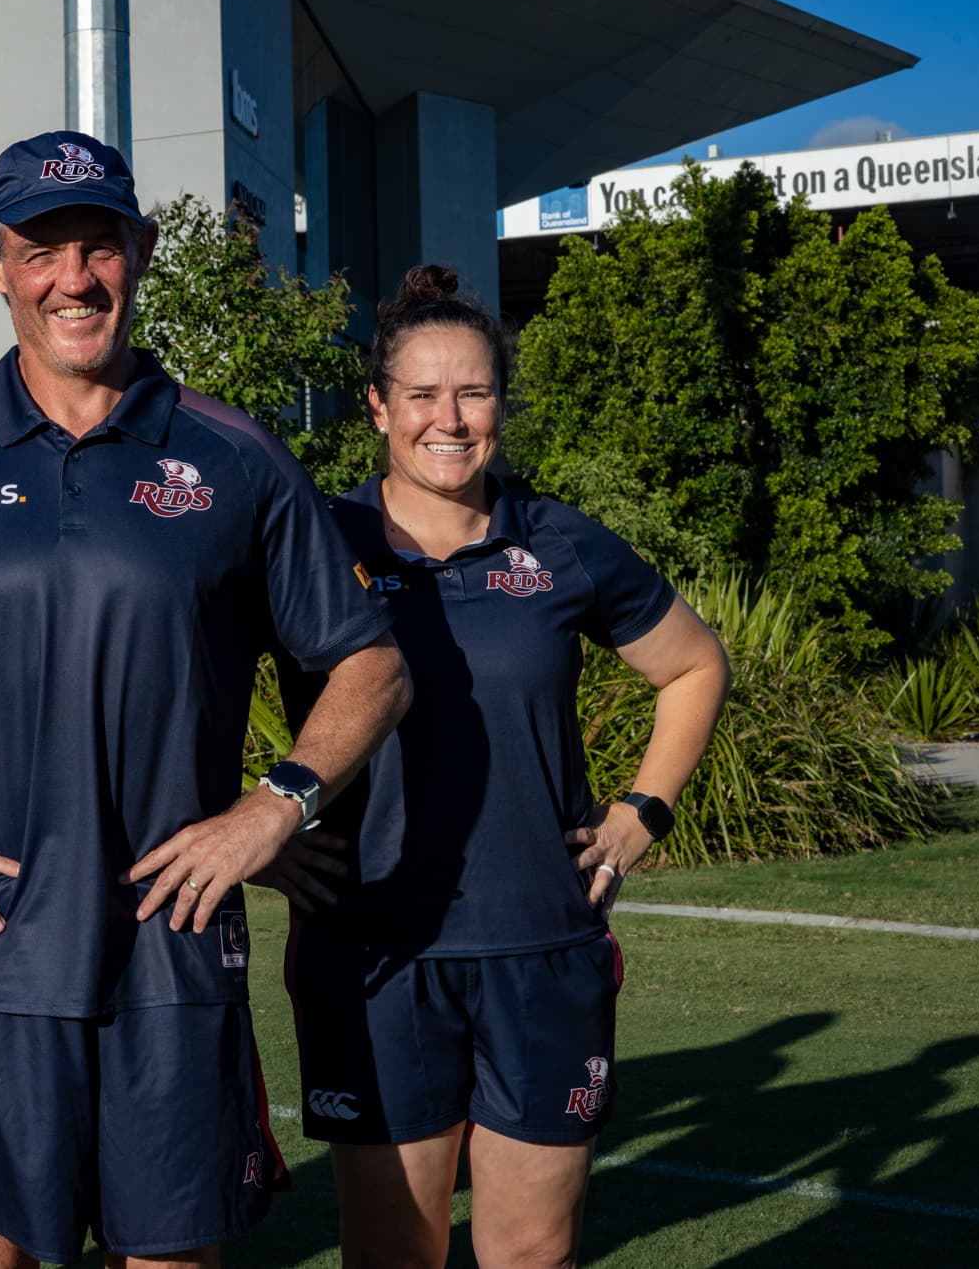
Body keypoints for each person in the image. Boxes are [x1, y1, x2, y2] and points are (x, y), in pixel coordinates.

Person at [0, 130, 412, 1269]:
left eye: (96, 246)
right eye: (37, 250)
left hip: (171, 956)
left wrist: (272, 808)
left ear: (137, 252)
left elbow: (370, 664)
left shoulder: (231, 457)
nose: (71, 278)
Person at [273, 265, 732, 1269]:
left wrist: (638, 813)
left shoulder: (556, 542)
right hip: (372, 954)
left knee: (531, 1253)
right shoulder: (312, 542)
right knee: (396, 1252)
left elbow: (695, 665)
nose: (449, 418)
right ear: (377, 406)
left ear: (497, 406)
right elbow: (182, 682)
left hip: (540, 946)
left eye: (473, 392)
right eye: (422, 395)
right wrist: (256, 834)